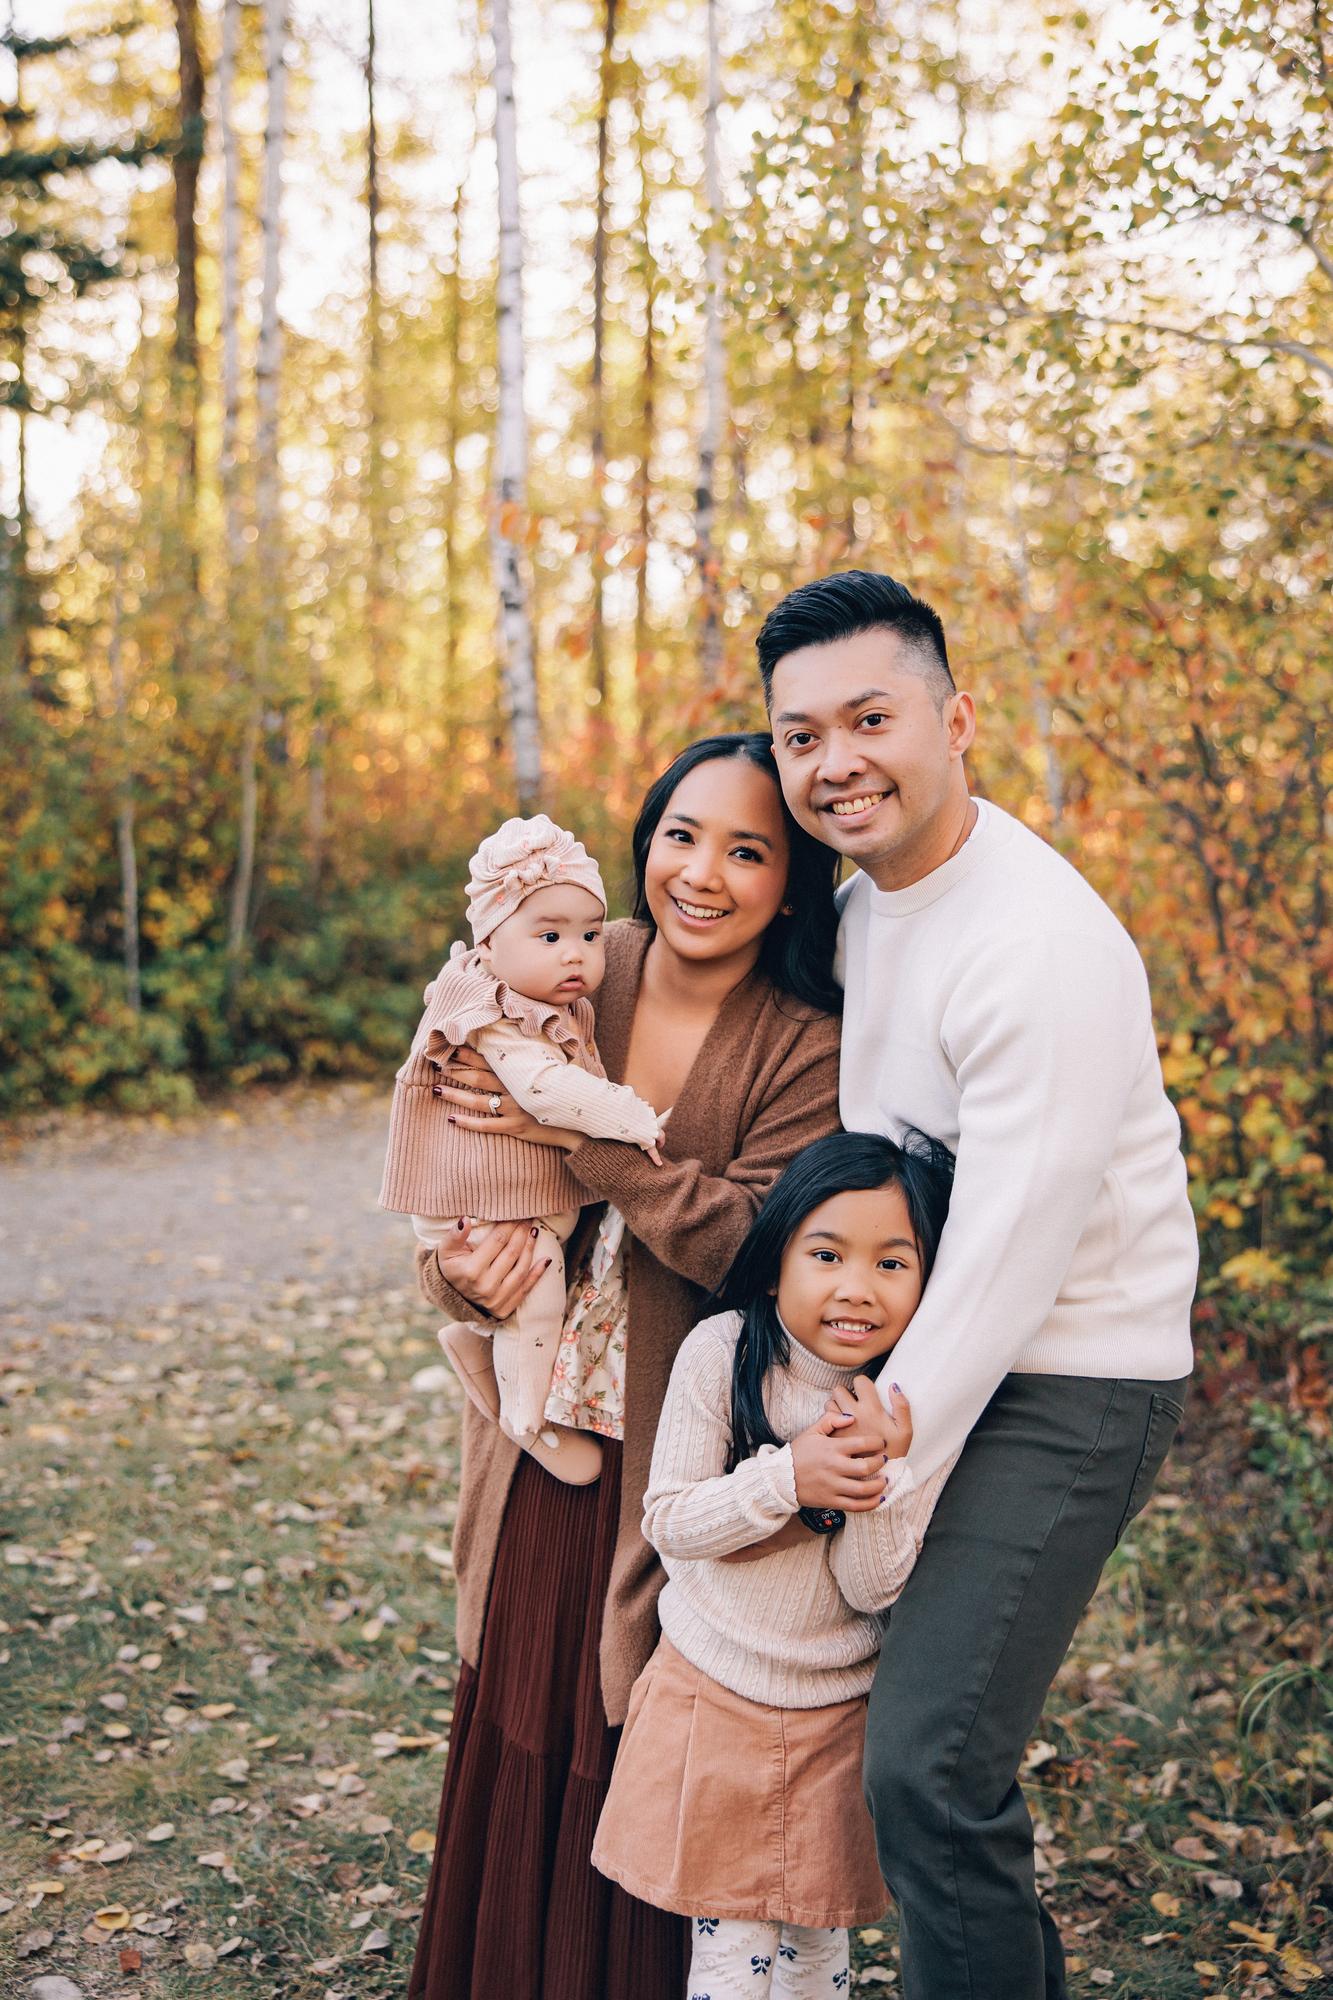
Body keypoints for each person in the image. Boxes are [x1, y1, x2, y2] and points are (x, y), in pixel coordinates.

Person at [756, 569, 1198, 2000]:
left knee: (930, 1767)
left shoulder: (1037, 942)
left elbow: (1011, 1247)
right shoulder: (872, 902)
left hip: (1068, 1379)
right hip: (929, 1362)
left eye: (869, 718)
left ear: (958, 721)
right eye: (800, 735)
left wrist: (877, 1442)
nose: (834, 763)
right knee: (914, 1761)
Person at [398, 733, 845, 2000]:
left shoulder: (802, 1041)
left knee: (632, 1727)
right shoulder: (579, 961)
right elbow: (454, 1156)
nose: (703, 872)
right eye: (681, 834)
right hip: (542, 1424)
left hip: (676, 1447)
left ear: (791, 881)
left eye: (748, 850)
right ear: (643, 840)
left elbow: (754, 1244)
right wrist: (456, 1275)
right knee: (524, 1711)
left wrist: (590, 1146)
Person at [592, 1130, 957, 2000]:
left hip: (834, 1714)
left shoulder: (912, 1403)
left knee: (814, 1959)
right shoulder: (721, 1353)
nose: (855, 1288)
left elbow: (872, 1589)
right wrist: (790, 1476)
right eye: (826, 1254)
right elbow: (672, 1519)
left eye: (892, 1264)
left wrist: (885, 1471)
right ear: (774, 1262)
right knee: (730, 1954)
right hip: (714, 1693)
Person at [380, 813, 664, 1485]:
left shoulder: (540, 1001)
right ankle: (528, 1423)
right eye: (549, 936)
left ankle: (479, 1351)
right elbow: (547, 1091)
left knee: (531, 1295)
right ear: (490, 942)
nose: (576, 954)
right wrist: (636, 1119)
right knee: (534, 1290)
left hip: (508, 1192)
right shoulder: (499, 1016)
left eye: (589, 936)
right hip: (486, 1198)